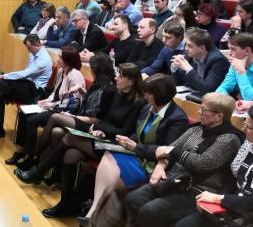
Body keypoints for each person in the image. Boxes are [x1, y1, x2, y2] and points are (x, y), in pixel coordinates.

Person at [60, 74, 191, 220]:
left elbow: (167, 150)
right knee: (107, 153)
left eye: (148, 93)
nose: (145, 96)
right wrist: (127, 140)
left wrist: (135, 147)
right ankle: (92, 212)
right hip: (135, 153)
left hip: (153, 164)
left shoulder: (177, 118)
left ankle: (93, 213)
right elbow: (137, 133)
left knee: (110, 177)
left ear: (158, 95)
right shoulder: (147, 107)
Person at [15, 63, 147, 186]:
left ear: (131, 81)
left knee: (70, 137)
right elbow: (105, 119)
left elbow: (124, 132)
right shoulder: (118, 94)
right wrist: (101, 130)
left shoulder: (138, 103)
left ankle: (38, 170)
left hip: (115, 145)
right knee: (70, 154)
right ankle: (64, 199)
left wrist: (100, 128)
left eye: (121, 76)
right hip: (102, 136)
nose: (116, 78)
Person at [122, 91, 242, 225]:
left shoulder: (229, 139)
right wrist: (161, 165)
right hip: (176, 180)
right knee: (133, 199)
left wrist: (173, 152)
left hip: (200, 191)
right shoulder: (197, 128)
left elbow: (202, 163)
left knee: (150, 211)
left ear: (219, 116)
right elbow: (169, 148)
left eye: (203, 110)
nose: (199, 112)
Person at [176, 104, 253, 226]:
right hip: (231, 204)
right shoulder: (249, 145)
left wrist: (220, 199)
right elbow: (231, 178)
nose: (243, 129)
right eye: (244, 124)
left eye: (248, 127)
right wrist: (216, 201)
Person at [14, 53, 116, 172]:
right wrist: (81, 90)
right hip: (80, 117)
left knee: (55, 117)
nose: (91, 71)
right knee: (56, 132)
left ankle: (33, 159)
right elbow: (88, 101)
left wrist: (72, 116)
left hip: (90, 125)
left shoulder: (108, 89)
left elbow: (97, 118)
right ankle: (49, 169)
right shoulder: (97, 84)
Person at [5, 45, 85, 166]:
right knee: (23, 113)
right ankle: (20, 151)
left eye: (61, 58)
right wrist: (46, 101)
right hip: (53, 106)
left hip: (63, 112)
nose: (58, 60)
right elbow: (55, 92)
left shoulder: (76, 75)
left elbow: (73, 102)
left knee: (32, 121)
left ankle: (30, 157)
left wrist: (51, 104)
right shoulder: (61, 71)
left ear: (68, 59)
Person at [0, 34, 52, 139]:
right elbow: (25, 76)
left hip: (34, 92)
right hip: (26, 85)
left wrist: (2, 76)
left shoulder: (43, 60)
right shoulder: (34, 53)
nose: (28, 51)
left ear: (37, 44)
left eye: (29, 48)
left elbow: (23, 74)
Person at [172, 27, 231, 95]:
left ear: (202, 48)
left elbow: (208, 90)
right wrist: (175, 68)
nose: (186, 48)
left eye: (189, 46)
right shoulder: (191, 54)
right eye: (186, 44)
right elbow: (177, 82)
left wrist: (188, 69)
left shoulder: (218, 60)